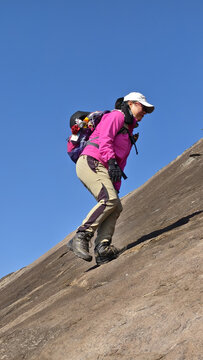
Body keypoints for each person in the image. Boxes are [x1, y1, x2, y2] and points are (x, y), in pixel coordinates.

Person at [67, 92, 155, 265]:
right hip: (92, 160)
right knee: (109, 200)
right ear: (130, 103)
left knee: (115, 206)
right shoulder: (116, 116)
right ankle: (81, 236)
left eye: (146, 109)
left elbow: (120, 164)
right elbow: (105, 139)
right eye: (142, 106)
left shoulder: (128, 131)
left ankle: (103, 248)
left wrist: (115, 184)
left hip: (104, 167)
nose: (144, 111)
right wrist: (112, 162)